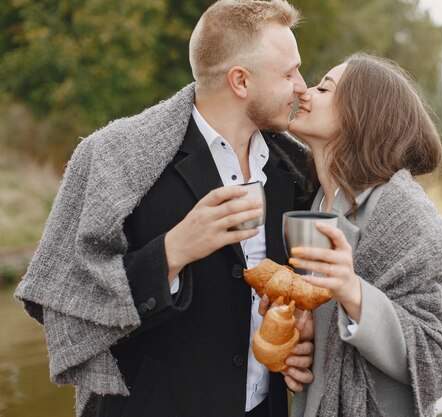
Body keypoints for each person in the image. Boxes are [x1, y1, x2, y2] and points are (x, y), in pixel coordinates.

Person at [14, 1, 315, 417]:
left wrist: (301, 341)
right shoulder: (119, 162)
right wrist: (173, 251)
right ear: (240, 80)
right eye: (289, 73)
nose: (302, 85)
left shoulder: (293, 171)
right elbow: (70, 300)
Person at [282, 53, 442, 417]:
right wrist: (302, 343)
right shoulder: (312, 202)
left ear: (359, 114)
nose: (304, 91)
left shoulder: (402, 211)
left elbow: (433, 359)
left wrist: (352, 289)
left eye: (323, 88)